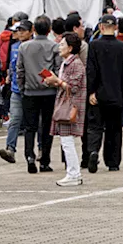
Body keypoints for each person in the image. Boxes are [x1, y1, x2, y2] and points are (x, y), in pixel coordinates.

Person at [86, 14, 123, 172]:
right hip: (117, 94)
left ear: (101, 27)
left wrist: (91, 91)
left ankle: (93, 151)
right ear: (115, 27)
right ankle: (113, 162)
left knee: (95, 126)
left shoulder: (94, 46)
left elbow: (91, 71)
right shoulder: (122, 47)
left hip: (99, 94)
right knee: (114, 129)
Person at [16, 18, 60, 174]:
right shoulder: (54, 46)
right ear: (49, 30)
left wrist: (22, 87)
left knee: (30, 127)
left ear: (33, 29)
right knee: (47, 127)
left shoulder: (24, 47)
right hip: (49, 92)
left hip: (29, 91)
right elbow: (57, 68)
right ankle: (45, 160)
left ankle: (29, 156)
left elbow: (20, 70)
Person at [49, 32, 86, 187]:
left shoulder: (76, 64)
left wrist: (57, 81)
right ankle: (73, 173)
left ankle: (74, 174)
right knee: (66, 141)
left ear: (70, 48)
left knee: (67, 141)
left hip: (71, 105)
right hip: (66, 104)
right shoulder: (67, 62)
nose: (59, 46)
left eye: (63, 44)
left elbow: (74, 86)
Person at [0, 21, 33, 164]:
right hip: (16, 90)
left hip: (32, 90)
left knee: (35, 123)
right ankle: (10, 148)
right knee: (15, 120)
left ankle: (41, 149)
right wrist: (8, 77)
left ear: (31, 31)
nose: (20, 33)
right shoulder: (14, 47)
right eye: (18, 30)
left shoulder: (33, 46)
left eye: (23, 30)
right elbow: (11, 66)